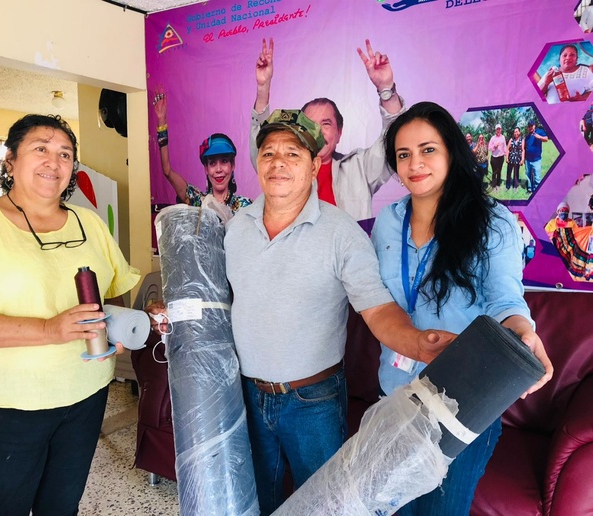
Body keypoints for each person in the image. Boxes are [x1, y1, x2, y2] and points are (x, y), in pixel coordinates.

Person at [225, 108, 455, 515]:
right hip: (247, 394)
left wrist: (417, 343)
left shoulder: (341, 232)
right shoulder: (235, 227)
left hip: (312, 402)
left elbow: (377, 308)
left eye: (293, 154)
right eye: (268, 153)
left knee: (325, 505)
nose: (278, 162)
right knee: (256, 499)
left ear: (315, 165)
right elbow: (220, 300)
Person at [0, 114, 141, 515]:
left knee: (61, 507)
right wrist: (50, 329)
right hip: (11, 408)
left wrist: (118, 328)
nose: (54, 161)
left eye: (65, 153)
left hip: (86, 397)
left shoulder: (89, 223)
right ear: (10, 160)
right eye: (41, 148)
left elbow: (112, 292)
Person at [371, 101, 553, 515]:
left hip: (464, 402)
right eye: (403, 154)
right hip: (394, 395)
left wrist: (523, 332)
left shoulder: (493, 221)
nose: (415, 163)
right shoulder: (387, 223)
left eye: (428, 150)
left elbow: (506, 298)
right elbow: (375, 300)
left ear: (452, 151)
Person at [249, 38, 406, 221]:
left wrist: (386, 89)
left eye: (326, 124)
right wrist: (263, 88)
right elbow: (262, 148)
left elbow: (395, 139)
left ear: (339, 132)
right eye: (310, 124)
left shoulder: (360, 167)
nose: (318, 131)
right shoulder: (284, 168)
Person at [152, 89, 252, 213]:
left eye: (224, 161)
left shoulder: (246, 207)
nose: (218, 169)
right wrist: (162, 121)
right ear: (206, 168)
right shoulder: (198, 201)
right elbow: (167, 171)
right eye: (212, 163)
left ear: (233, 165)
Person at [524, 120, 549, 192]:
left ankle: (537, 190)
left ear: (534, 125)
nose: (530, 127)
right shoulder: (527, 136)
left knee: (537, 176)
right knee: (528, 175)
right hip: (528, 160)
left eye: (531, 126)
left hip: (536, 160)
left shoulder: (539, 131)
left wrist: (538, 137)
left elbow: (546, 139)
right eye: (529, 126)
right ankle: (529, 188)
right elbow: (525, 147)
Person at [488, 124, 506, 189]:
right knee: (494, 172)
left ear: (501, 130)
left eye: (499, 129)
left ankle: (498, 184)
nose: (498, 130)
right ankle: (493, 185)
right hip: (494, 158)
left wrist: (505, 153)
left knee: (499, 171)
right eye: (497, 129)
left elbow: (504, 146)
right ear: (495, 130)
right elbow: (489, 148)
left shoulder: (503, 137)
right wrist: (494, 146)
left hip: (501, 157)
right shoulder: (492, 138)